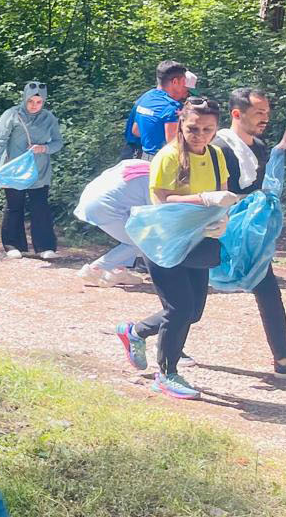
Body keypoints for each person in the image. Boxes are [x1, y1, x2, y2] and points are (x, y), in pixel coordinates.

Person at [115, 97, 239, 400]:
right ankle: (166, 373)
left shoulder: (216, 155)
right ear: (181, 124)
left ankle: (135, 332)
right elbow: (160, 199)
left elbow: (222, 192)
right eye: (193, 128)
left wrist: (222, 216)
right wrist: (204, 200)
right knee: (180, 309)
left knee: (193, 312)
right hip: (164, 242)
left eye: (208, 129)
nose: (200, 135)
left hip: (199, 241)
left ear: (216, 128)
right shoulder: (167, 156)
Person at [214, 88, 286, 374]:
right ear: (236, 114)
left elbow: (258, 188)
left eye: (267, 113)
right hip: (217, 231)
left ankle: (282, 358)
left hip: (245, 235)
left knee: (267, 290)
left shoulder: (258, 145)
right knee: (190, 302)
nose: (265, 118)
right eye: (258, 112)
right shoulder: (218, 146)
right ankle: (140, 331)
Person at [0, 81, 64, 260]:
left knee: (40, 206)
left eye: (39, 102)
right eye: (31, 101)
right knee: (14, 206)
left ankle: (45, 246)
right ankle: (13, 245)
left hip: (40, 170)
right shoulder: (11, 115)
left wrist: (44, 148)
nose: (34, 105)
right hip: (14, 169)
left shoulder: (49, 118)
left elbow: (58, 142)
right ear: (24, 98)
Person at [73, 160, 153, 286]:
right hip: (105, 206)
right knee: (139, 241)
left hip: (92, 196)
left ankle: (118, 271)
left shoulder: (140, 164)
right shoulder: (154, 180)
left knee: (132, 234)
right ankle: (96, 269)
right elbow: (154, 213)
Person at [125, 61, 188, 160]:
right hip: (163, 160)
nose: (185, 85)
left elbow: (136, 131)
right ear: (175, 82)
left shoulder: (145, 98)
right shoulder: (172, 107)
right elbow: (174, 144)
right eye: (184, 81)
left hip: (144, 157)